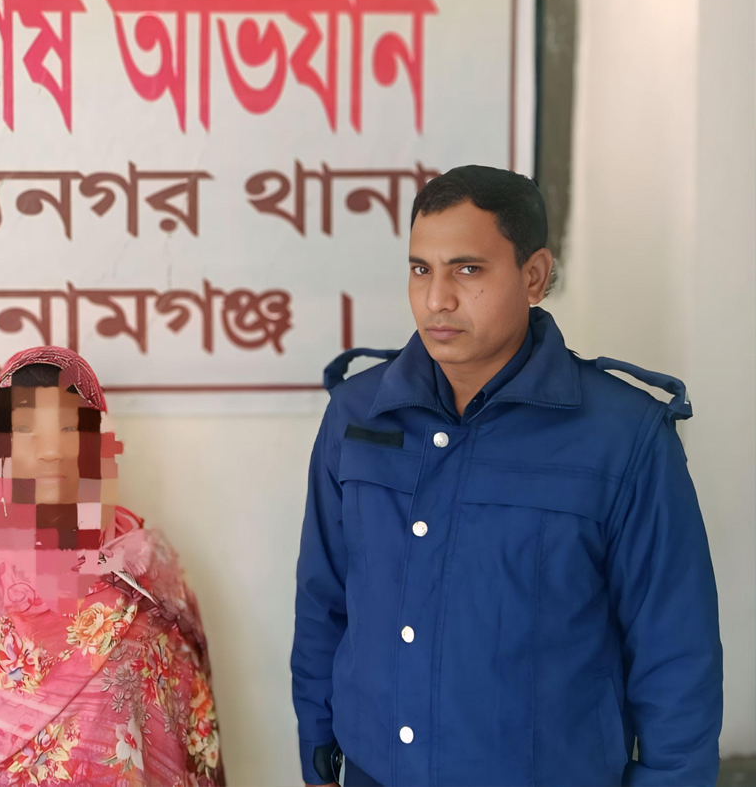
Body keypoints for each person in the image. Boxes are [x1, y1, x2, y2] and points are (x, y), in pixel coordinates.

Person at [292, 165, 723, 787]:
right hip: (372, 772)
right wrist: (317, 754)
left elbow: (675, 651)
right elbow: (324, 600)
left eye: (467, 270)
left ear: (534, 276)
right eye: (421, 269)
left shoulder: (623, 436)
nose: (437, 299)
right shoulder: (358, 414)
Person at [0, 346, 225, 787]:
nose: (51, 450)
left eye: (70, 427)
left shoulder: (152, 575)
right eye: (24, 429)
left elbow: (193, 737)